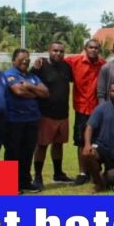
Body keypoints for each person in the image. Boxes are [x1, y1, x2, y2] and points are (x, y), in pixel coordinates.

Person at [3, 49, 50, 193]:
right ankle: (10, 184)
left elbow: (46, 93)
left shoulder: (32, 77)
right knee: (13, 152)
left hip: (32, 119)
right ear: (13, 61)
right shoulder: (9, 74)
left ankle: (25, 181)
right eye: (21, 59)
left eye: (27, 59)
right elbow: (18, 91)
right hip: (14, 120)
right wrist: (36, 93)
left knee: (27, 152)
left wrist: (29, 87)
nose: (25, 61)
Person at [30, 41, 74, 188]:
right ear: (49, 50)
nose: (58, 53)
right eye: (55, 51)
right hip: (45, 113)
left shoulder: (66, 67)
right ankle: (37, 176)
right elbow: (30, 81)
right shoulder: (40, 66)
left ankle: (58, 173)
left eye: (61, 51)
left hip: (63, 113)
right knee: (42, 145)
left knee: (58, 144)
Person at [64, 38, 106, 185]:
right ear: (85, 48)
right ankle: (82, 173)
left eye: (96, 48)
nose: (94, 50)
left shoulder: (103, 64)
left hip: (98, 108)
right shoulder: (74, 61)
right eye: (91, 47)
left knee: (97, 141)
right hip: (81, 107)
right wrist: (41, 61)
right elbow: (56, 60)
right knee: (81, 141)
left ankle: (95, 171)